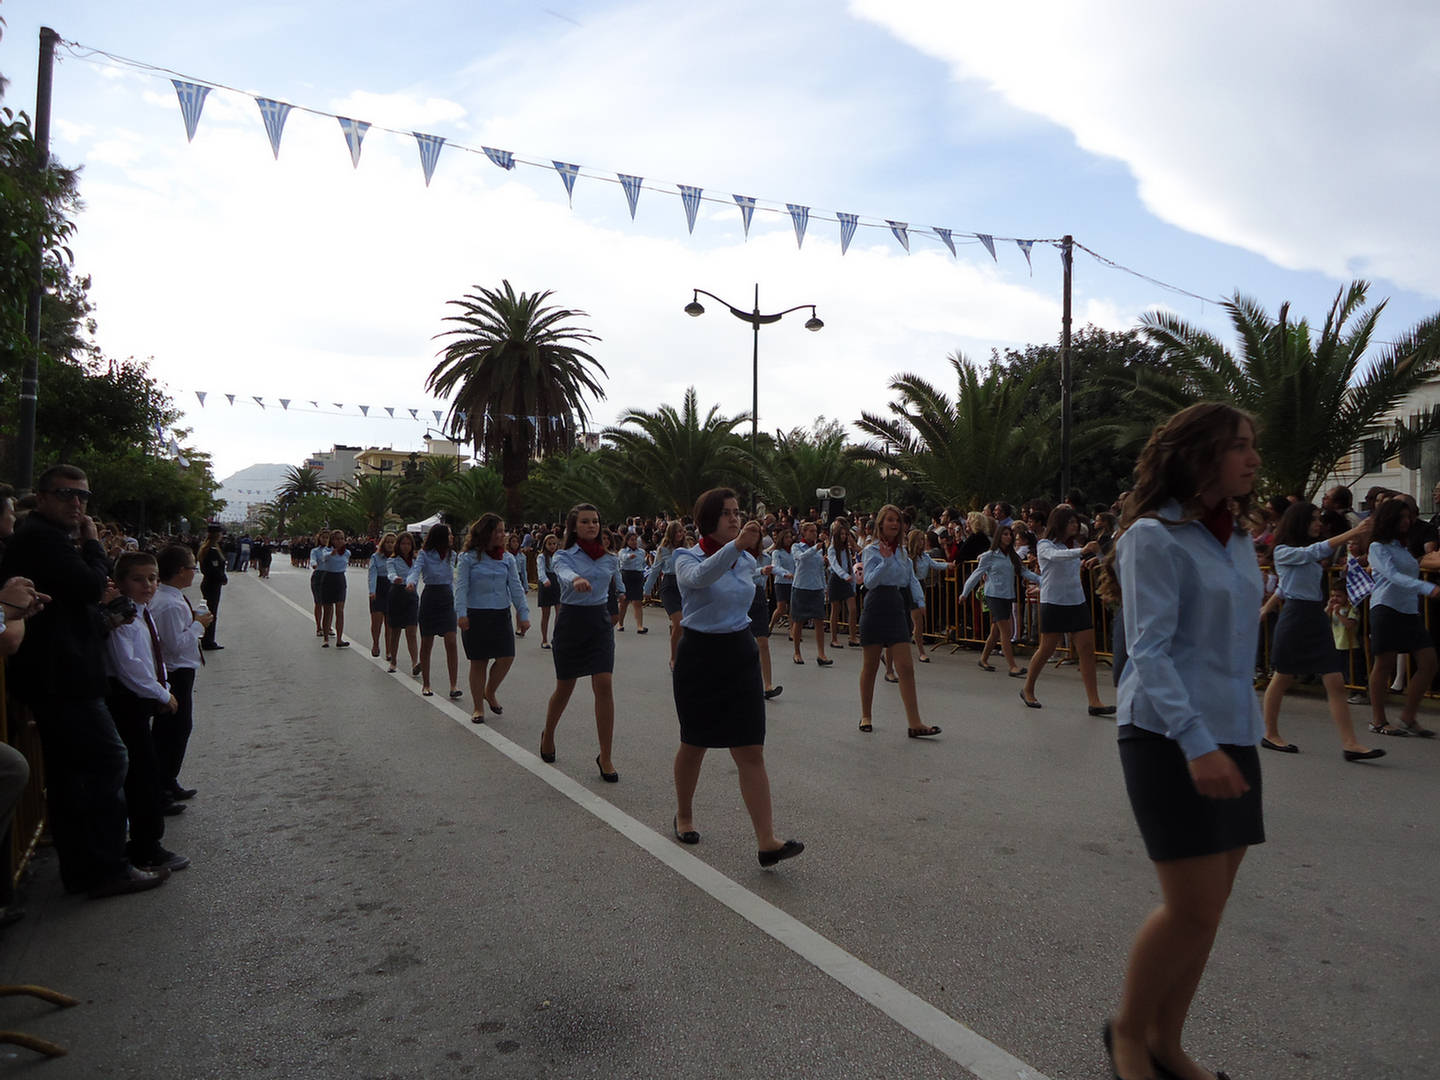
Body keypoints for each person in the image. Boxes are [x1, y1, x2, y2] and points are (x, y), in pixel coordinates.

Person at [1104, 402, 1265, 1080]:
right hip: (1168, 734)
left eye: (1252, 445)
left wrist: (1233, 736)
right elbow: (1149, 650)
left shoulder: (1236, 538)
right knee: (1190, 909)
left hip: (1234, 733)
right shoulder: (1153, 537)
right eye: (1239, 446)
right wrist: (1197, 743)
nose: (1253, 458)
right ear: (1200, 454)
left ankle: (1167, 1042)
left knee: (1210, 911)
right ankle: (1128, 1033)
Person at [0, 465, 169, 897]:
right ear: (41, 497)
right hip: (62, 677)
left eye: (83, 496)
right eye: (65, 494)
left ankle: (85, 866)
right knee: (104, 763)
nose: (76, 503)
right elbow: (91, 584)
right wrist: (93, 543)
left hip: (63, 672)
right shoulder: (41, 539)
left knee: (73, 774)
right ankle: (105, 867)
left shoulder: (50, 538)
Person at [671, 488, 803, 867]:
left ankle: (767, 840)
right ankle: (684, 815)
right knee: (694, 743)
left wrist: (748, 556)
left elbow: (742, 586)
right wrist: (736, 547)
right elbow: (700, 579)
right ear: (708, 519)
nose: (735, 518)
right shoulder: (686, 557)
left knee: (750, 749)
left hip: (739, 653)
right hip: (699, 655)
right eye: (726, 512)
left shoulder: (744, 559)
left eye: (737, 512)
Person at [1260, 502, 1383, 760]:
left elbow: (1285, 585)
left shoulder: (1303, 552)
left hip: (1314, 615)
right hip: (1295, 617)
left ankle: (1350, 743)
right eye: (1315, 519)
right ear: (1300, 521)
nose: (1319, 523)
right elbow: (1308, 559)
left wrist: (1266, 608)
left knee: (1335, 679)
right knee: (1283, 676)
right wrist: (1354, 532)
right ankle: (1270, 733)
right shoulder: (1284, 551)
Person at [103, 552, 190, 872]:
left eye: (152, 578)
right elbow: (129, 666)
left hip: (141, 697)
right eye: (138, 579)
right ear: (121, 582)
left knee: (145, 771)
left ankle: (145, 840)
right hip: (128, 700)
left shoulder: (142, 611)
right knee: (142, 776)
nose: (148, 585)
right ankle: (146, 846)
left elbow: (151, 656)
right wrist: (161, 693)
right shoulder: (124, 618)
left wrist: (161, 685)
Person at [541, 504, 620, 781]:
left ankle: (605, 756)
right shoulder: (563, 555)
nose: (591, 526)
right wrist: (575, 579)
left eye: (595, 521)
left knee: (604, 684)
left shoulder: (610, 558)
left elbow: (614, 586)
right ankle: (548, 734)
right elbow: (562, 572)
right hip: (571, 621)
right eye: (585, 522)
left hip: (599, 622)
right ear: (574, 527)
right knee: (565, 687)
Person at [856, 506, 939, 738]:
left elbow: (910, 579)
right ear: (881, 524)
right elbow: (869, 582)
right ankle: (866, 715)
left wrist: (920, 601)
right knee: (871, 666)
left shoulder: (903, 552)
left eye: (898, 521)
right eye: (890, 520)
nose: (894, 524)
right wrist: (884, 561)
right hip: (875, 605)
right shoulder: (871, 550)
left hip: (896, 605)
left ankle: (915, 722)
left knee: (906, 667)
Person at [1020, 506, 1112, 714]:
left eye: (1076, 522)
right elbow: (1056, 557)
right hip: (1054, 602)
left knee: (1087, 649)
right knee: (1047, 648)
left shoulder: (1073, 546)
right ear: (1059, 523)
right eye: (1071, 522)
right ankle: (1028, 688)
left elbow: (1076, 562)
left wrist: (1093, 557)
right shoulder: (1045, 544)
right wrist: (1082, 551)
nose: (1075, 525)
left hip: (1077, 601)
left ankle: (1094, 701)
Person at [1367, 498, 1440, 737]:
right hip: (1386, 608)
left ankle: (1408, 717)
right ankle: (1378, 720)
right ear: (1390, 519)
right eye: (1402, 517)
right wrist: (1427, 588)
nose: (1407, 521)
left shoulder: (1402, 547)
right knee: (1384, 664)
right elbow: (1392, 575)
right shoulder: (1378, 547)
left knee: (1429, 662)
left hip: (1409, 611)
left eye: (1409, 517)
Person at [150, 544, 213, 802]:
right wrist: (198, 625)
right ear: (179, 571)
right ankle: (162, 783)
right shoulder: (169, 604)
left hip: (179, 670)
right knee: (174, 730)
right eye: (192, 568)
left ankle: (167, 780)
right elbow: (175, 644)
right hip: (175, 672)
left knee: (174, 730)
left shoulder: (172, 597)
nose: (194, 572)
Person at [455, 514, 531, 723]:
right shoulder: (468, 558)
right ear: (485, 532)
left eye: (503, 530)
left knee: (506, 657)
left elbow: (516, 588)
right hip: (475, 614)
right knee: (479, 661)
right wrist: (461, 614)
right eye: (498, 531)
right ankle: (478, 707)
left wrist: (523, 614)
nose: (502, 535)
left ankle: (489, 691)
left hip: (500, 614)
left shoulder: (507, 559)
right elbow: (461, 587)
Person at [961, 524, 1040, 677]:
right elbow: (977, 574)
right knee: (1006, 630)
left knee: (996, 631)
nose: (1008, 537)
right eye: (1005, 534)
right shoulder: (989, 555)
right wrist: (965, 592)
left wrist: (1042, 580)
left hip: (1007, 595)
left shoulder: (1012, 555)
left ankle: (983, 658)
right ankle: (1012, 666)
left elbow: (1024, 572)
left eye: (1010, 534)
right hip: (993, 595)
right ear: (998, 537)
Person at [408, 523, 461, 698]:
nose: (452, 537)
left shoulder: (453, 555)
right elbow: (415, 570)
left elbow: (457, 577)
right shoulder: (424, 554)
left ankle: (453, 685)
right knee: (427, 642)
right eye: (449, 534)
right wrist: (411, 582)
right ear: (440, 536)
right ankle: (426, 684)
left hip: (447, 598)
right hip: (430, 596)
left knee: (451, 641)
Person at [746, 522, 783, 700]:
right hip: (742, 596)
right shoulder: (739, 556)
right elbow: (741, 574)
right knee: (741, 642)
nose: (754, 538)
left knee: (763, 641)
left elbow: (775, 568)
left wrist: (786, 573)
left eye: (757, 534)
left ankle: (767, 685)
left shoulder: (765, 557)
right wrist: (760, 571)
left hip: (758, 596)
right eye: (750, 533)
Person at [788, 520, 832, 666]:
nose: (814, 533)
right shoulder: (796, 546)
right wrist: (814, 549)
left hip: (816, 587)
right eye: (811, 531)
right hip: (801, 586)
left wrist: (825, 587)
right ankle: (797, 652)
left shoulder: (818, 549)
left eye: (815, 531)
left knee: (819, 620)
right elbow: (800, 558)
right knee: (799, 620)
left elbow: (820, 570)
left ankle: (821, 654)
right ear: (804, 532)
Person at [906, 528, 952, 664]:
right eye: (921, 539)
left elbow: (934, 564)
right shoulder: (908, 558)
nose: (923, 542)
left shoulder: (925, 556)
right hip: (909, 588)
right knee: (916, 621)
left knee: (917, 622)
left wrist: (948, 565)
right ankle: (919, 651)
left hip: (921, 585)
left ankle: (919, 650)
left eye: (924, 539)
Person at [645, 521, 687, 667]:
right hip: (669, 586)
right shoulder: (663, 549)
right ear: (671, 533)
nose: (680, 534)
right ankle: (673, 659)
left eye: (681, 531)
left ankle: (680, 648)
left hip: (684, 586)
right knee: (679, 623)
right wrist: (647, 589)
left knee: (683, 625)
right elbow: (655, 570)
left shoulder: (687, 549)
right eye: (677, 531)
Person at [385, 532, 420, 675]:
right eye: (403, 544)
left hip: (411, 595)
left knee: (412, 631)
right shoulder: (392, 560)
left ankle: (415, 662)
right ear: (398, 545)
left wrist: (411, 583)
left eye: (408, 544)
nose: (406, 547)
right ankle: (393, 661)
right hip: (397, 594)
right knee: (395, 630)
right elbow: (390, 573)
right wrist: (395, 578)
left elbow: (416, 575)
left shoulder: (416, 560)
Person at [316, 528, 351, 648]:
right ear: (332, 540)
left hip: (340, 579)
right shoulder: (327, 550)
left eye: (342, 539)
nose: (339, 541)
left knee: (340, 611)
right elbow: (323, 557)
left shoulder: (347, 552)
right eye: (337, 539)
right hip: (328, 579)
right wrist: (331, 554)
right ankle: (325, 638)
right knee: (328, 610)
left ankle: (339, 639)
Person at [826, 520, 859, 648]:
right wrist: (844, 576)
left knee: (853, 609)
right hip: (836, 579)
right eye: (841, 534)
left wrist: (853, 584)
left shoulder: (846, 550)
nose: (844, 537)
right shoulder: (832, 549)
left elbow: (850, 566)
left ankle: (853, 637)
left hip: (847, 580)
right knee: (836, 609)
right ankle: (834, 638)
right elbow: (834, 564)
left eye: (845, 534)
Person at [197, 523, 228, 650]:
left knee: (210, 611)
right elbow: (214, 569)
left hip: (209, 582)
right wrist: (223, 578)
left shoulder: (207, 548)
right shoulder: (212, 551)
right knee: (212, 612)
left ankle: (206, 637)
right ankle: (208, 640)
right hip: (212, 584)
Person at [367, 532, 397, 657]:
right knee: (376, 621)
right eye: (387, 542)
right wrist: (372, 591)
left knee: (389, 623)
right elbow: (372, 574)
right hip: (379, 588)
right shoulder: (376, 557)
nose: (390, 544)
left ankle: (389, 650)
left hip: (392, 588)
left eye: (392, 542)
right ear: (383, 543)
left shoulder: (398, 558)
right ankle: (375, 644)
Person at [616, 531, 649, 634]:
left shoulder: (641, 552)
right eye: (632, 540)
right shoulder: (623, 551)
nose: (634, 542)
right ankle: (620, 623)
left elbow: (643, 564)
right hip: (626, 576)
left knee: (637, 602)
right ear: (627, 541)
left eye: (635, 540)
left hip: (637, 576)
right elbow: (622, 558)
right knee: (624, 602)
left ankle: (640, 626)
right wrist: (629, 556)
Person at [535, 533, 562, 650]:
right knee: (546, 614)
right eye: (549, 544)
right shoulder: (541, 557)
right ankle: (544, 639)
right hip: (546, 584)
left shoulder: (559, 556)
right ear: (545, 545)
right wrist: (545, 580)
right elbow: (540, 571)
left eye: (554, 544)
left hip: (557, 583)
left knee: (559, 613)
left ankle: (556, 638)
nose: (552, 546)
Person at [767, 527, 795, 635]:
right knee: (781, 608)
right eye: (786, 537)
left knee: (793, 607)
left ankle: (792, 630)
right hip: (781, 582)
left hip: (793, 582)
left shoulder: (793, 552)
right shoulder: (777, 552)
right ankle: (771, 625)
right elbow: (775, 566)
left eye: (790, 537)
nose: (789, 540)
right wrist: (785, 573)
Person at [308, 529, 331, 639]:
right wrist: (314, 564)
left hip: (330, 576)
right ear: (319, 538)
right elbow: (312, 560)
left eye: (327, 538)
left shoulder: (332, 550)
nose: (325, 540)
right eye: (323, 537)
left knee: (329, 604)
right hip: (318, 576)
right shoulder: (315, 551)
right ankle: (319, 627)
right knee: (318, 603)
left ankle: (328, 626)